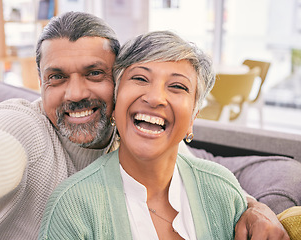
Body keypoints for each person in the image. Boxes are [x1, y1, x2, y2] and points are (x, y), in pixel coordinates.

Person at [0, 12, 289, 240]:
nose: (75, 94)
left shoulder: (136, 133)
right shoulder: (22, 127)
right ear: (40, 85)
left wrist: (254, 207)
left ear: (119, 87)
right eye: (57, 78)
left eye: (95, 73)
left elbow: (197, 177)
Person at [38, 30, 247, 239]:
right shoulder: (72, 206)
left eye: (177, 86)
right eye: (140, 78)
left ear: (192, 118)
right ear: (115, 102)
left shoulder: (224, 191)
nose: (155, 98)